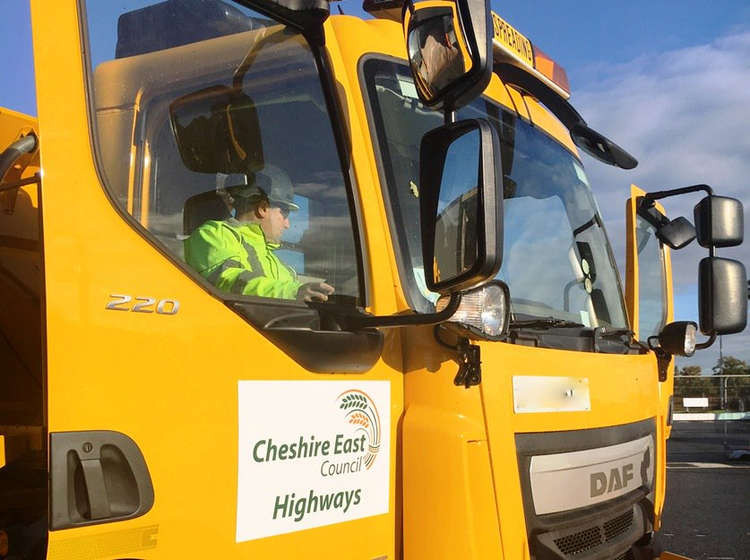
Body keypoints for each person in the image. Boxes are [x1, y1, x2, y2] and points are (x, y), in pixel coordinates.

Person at [184, 165, 334, 302]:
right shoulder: (213, 235)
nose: (287, 225)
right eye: (285, 214)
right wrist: (292, 293)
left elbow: (295, 289)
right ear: (263, 208)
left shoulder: (278, 265)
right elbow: (228, 281)